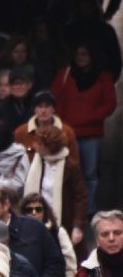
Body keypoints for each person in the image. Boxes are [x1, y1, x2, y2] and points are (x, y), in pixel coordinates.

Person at [50, 42, 116, 205]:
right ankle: (69, 206)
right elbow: (55, 98)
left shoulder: (103, 77)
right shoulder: (65, 74)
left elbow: (110, 103)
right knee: (67, 172)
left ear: (92, 57)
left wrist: (93, 116)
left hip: (92, 134)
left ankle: (90, 207)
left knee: (90, 174)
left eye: (85, 54)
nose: (81, 58)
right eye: (78, 54)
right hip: (67, 132)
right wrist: (63, 120)